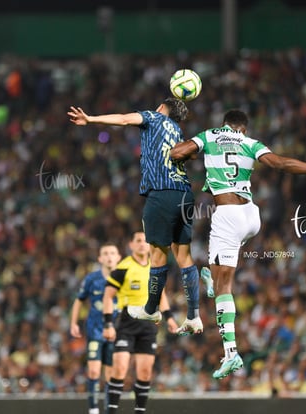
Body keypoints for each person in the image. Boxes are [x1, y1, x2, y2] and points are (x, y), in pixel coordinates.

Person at [170, 109, 306, 379]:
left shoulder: (209, 135)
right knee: (216, 268)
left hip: (227, 215)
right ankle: (210, 279)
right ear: (243, 128)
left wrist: (194, 152)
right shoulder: (250, 142)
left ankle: (231, 352)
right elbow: (280, 163)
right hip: (252, 217)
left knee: (223, 287)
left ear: (224, 125)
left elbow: (175, 153)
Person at [68, 99, 202, 336]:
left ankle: (151, 308)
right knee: (184, 256)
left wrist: (91, 119)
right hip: (185, 194)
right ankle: (194, 315)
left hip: (161, 195)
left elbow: (123, 118)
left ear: (162, 107)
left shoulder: (153, 116)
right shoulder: (178, 131)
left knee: (158, 255)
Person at [102, 231, 177, 414]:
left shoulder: (155, 266)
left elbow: (161, 295)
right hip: (127, 321)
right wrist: (108, 324)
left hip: (148, 323)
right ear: (131, 245)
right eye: (138, 241)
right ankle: (111, 411)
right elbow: (108, 296)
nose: (143, 244)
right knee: (119, 369)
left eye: (145, 241)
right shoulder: (123, 267)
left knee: (144, 372)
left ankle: (140, 411)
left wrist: (170, 318)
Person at [70, 243, 122, 414]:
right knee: (93, 370)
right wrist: (74, 323)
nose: (109, 256)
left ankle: (108, 410)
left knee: (109, 374)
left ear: (118, 257)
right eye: (105, 253)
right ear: (100, 258)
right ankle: (93, 410)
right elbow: (79, 300)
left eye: (112, 253)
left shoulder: (124, 277)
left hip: (116, 332)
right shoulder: (92, 279)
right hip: (95, 330)